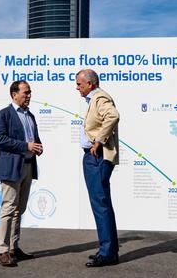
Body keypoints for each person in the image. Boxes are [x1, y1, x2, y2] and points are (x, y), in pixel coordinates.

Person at [0, 80, 43, 267]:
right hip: (11, 167)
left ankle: (14, 247)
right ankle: (2, 250)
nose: (29, 95)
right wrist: (26, 146)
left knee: (19, 210)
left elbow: (33, 138)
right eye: (26, 92)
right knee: (8, 209)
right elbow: (0, 139)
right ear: (14, 94)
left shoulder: (30, 116)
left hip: (28, 166)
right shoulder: (3, 115)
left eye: (30, 92)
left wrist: (37, 146)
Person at [75, 69, 120, 267]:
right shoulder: (94, 99)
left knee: (100, 204)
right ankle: (108, 250)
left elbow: (113, 116)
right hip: (94, 157)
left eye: (79, 84)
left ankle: (108, 253)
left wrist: (98, 141)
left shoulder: (100, 97)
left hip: (97, 157)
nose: (77, 87)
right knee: (102, 203)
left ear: (90, 84)